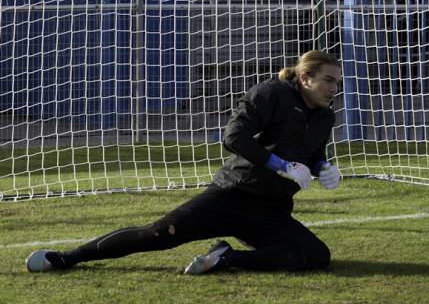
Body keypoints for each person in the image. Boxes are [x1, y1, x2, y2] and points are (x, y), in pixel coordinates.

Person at [26, 50, 343, 275]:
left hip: (271, 211)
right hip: (230, 196)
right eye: (328, 80)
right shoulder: (271, 94)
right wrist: (279, 164)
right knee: (157, 235)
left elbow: (311, 154)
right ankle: (66, 258)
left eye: (336, 82)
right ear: (304, 78)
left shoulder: (325, 116)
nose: (333, 89)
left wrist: (323, 168)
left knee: (316, 255)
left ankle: (227, 259)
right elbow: (234, 137)